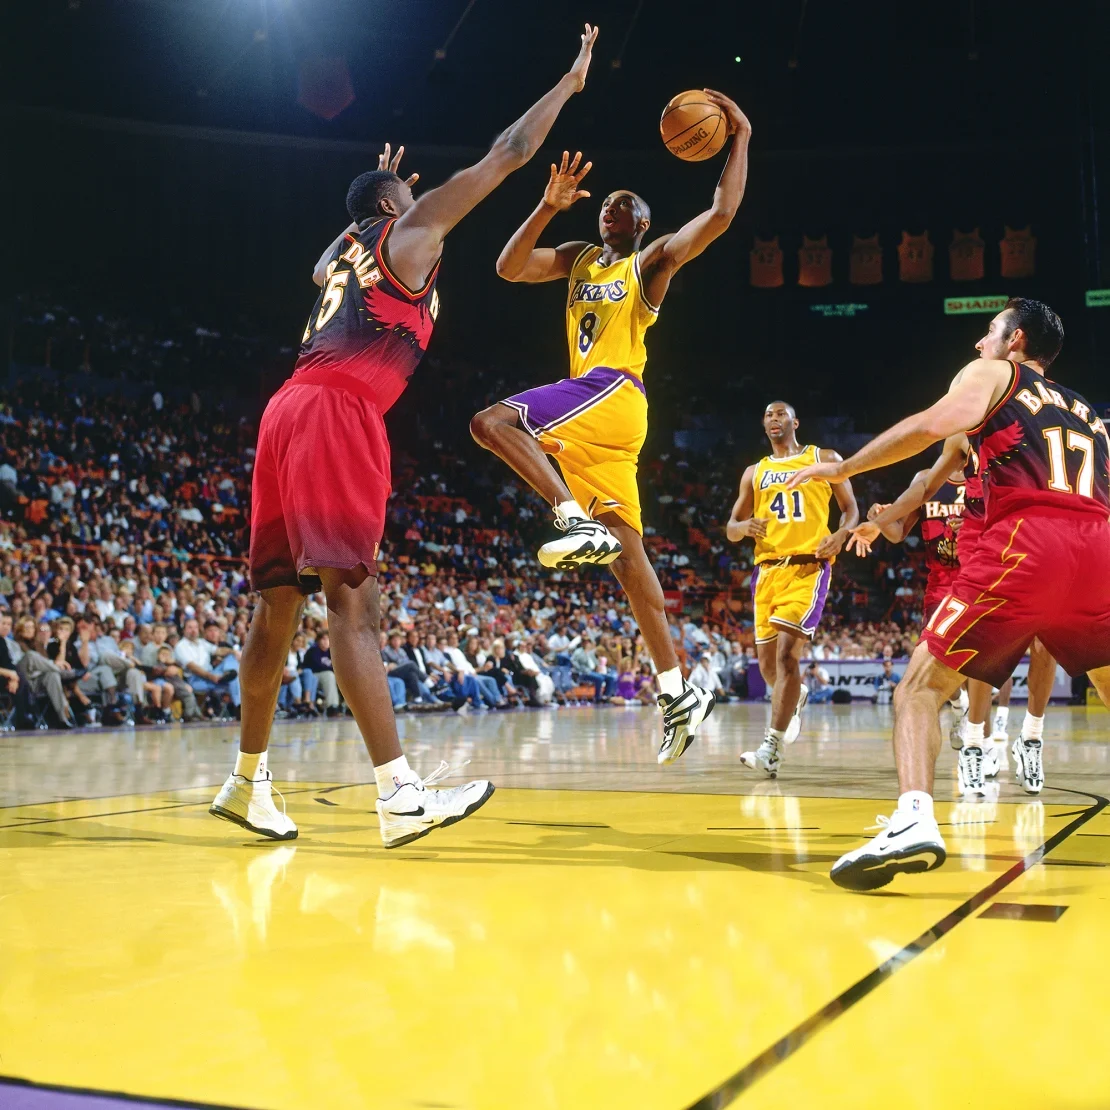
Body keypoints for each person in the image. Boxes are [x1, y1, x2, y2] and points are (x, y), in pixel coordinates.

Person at [210, 24, 600, 847]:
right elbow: (506, 152)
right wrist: (569, 82)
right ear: (397, 207)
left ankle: (247, 783)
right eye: (405, 196)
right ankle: (398, 796)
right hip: (337, 411)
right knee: (355, 604)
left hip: (289, 407)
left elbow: (323, 266)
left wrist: (363, 212)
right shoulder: (411, 235)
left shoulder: (346, 255)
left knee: (275, 607)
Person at [470, 90, 752, 764]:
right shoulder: (575, 257)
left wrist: (738, 136)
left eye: (622, 206)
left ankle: (570, 517)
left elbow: (721, 213)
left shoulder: (647, 263)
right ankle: (677, 688)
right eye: (605, 204)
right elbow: (508, 268)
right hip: (599, 421)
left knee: (492, 422)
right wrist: (546, 205)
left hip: (612, 389)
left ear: (642, 222)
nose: (609, 209)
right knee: (630, 561)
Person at [790, 298, 1110, 889]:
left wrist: (846, 469)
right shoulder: (1087, 411)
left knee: (917, 691)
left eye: (990, 332)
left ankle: (914, 818)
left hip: (1026, 539)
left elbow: (929, 425)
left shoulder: (996, 375)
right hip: (1098, 545)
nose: (978, 344)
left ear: (1016, 343)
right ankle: (986, 748)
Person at [853, 434, 1058, 796]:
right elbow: (898, 534)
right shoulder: (925, 481)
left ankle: (991, 733)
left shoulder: (996, 475)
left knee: (997, 656)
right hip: (942, 583)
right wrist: (881, 519)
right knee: (934, 669)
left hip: (986, 572)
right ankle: (965, 712)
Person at [725, 401, 860, 777]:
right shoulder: (755, 472)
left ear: (795, 421)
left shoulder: (823, 457)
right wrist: (744, 526)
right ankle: (796, 695)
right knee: (770, 667)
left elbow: (851, 509)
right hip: (766, 573)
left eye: (780, 414)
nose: (773, 419)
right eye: (767, 414)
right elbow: (731, 527)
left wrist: (841, 534)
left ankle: (771, 747)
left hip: (808, 568)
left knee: (786, 657)